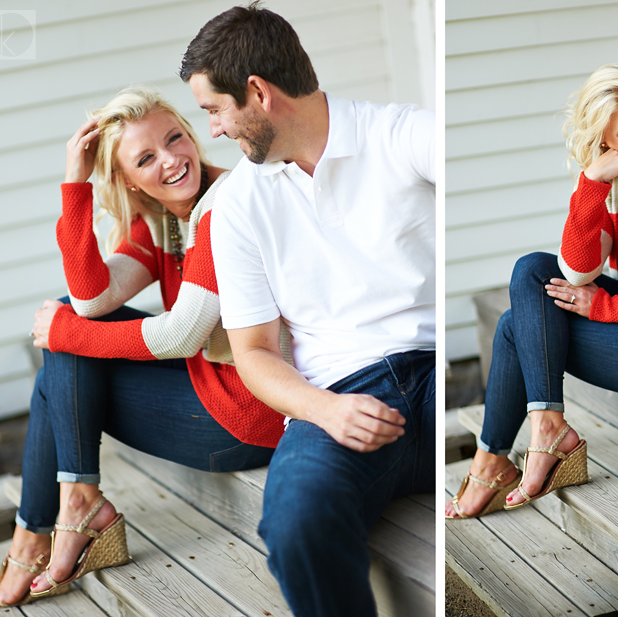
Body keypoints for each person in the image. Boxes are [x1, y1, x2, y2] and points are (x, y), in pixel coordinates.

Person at [0, 86, 286, 608]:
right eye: (147, 157)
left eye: (175, 138)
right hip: (211, 389)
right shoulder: (165, 219)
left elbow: (184, 333)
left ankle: (47, 525)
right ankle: (64, 512)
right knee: (68, 327)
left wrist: (66, 333)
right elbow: (91, 298)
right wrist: (75, 185)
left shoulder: (222, 205)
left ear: (191, 134)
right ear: (126, 179)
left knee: (66, 342)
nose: (171, 160)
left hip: (249, 413)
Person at [178, 4, 435, 616]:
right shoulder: (237, 205)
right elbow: (256, 354)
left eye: (214, 109)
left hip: (439, 373)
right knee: (295, 527)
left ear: (258, 93)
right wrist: (327, 410)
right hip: (342, 395)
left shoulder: (400, 135)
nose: (213, 130)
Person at [444, 64, 618, 520]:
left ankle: (498, 457)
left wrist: (609, 308)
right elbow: (576, 272)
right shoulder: (615, 182)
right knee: (532, 271)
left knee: (516, 326)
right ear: (605, 139)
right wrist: (591, 184)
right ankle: (541, 430)